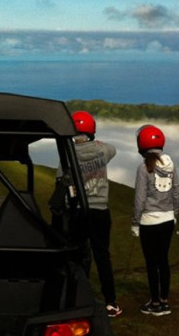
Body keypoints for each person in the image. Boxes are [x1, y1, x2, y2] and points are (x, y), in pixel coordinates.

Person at [70, 110, 123, 318]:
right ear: (91, 131)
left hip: (78, 211)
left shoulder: (68, 154)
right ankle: (110, 302)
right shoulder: (102, 151)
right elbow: (114, 149)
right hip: (100, 211)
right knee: (102, 256)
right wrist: (96, 143)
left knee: (78, 256)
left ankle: (76, 298)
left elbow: (60, 179)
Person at [131, 124, 179, 317]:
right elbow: (176, 192)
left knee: (151, 263)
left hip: (148, 222)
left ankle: (155, 302)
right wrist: (174, 215)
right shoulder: (171, 164)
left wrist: (135, 223)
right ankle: (165, 301)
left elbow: (139, 199)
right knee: (163, 260)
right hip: (168, 219)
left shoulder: (143, 168)